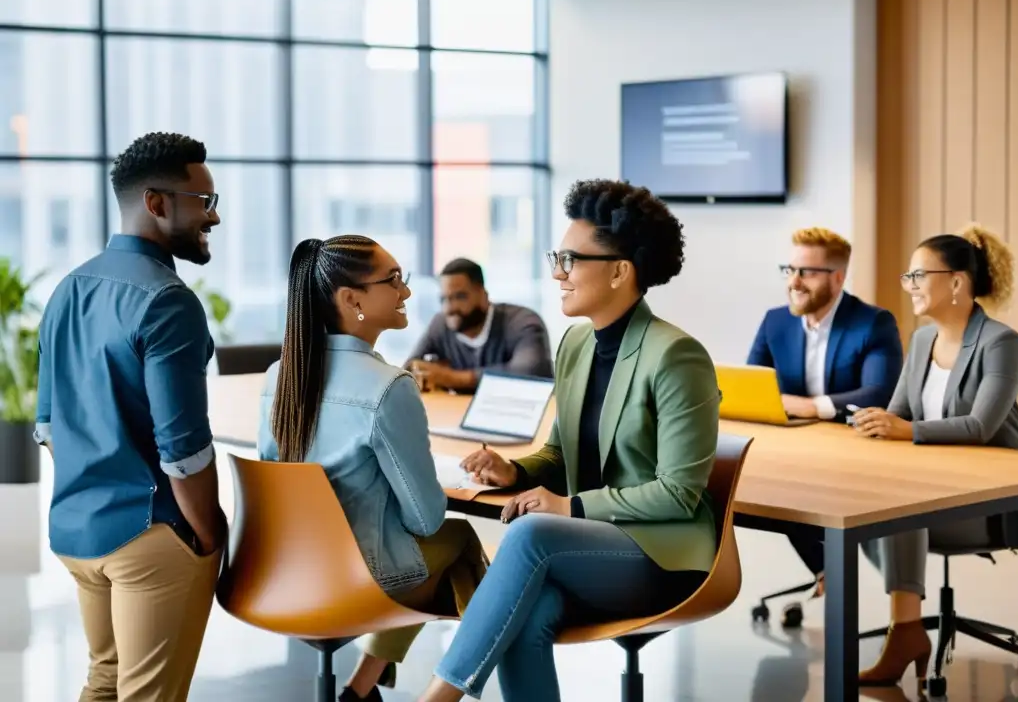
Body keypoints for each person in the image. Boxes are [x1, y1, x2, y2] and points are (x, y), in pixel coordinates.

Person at [415, 180, 717, 702]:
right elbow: (561, 452)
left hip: (664, 556)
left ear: (621, 270)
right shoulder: (577, 343)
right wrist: (517, 472)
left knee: (531, 535)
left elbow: (678, 493)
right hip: (591, 549)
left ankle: (438, 696)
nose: (557, 272)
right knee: (522, 616)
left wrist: (568, 506)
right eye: (558, 257)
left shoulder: (676, 356)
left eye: (571, 259)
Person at [33, 132, 227, 702]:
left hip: (77, 531)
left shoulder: (68, 289)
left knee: (105, 680)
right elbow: (184, 452)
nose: (213, 218)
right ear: (157, 203)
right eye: (204, 202)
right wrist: (209, 535)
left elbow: (47, 427)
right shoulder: (167, 300)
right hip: (152, 536)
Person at [257, 235, 488, 702]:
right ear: (351, 299)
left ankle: (361, 691)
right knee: (459, 540)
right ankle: (454, 689)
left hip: (282, 572)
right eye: (394, 280)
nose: (406, 292)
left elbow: (276, 478)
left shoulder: (278, 374)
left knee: (430, 548)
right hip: (358, 583)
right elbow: (425, 520)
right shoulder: (389, 387)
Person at [851, 224, 1018, 689]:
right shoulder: (923, 341)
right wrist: (872, 422)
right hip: (931, 490)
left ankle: (904, 636)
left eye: (917, 276)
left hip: (992, 503)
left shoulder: (1001, 343)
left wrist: (903, 429)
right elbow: (898, 414)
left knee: (898, 513)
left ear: (955, 283)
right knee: (870, 512)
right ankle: (905, 630)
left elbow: (980, 427)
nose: (908, 286)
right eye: (908, 277)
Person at [747, 227, 904, 615]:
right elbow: (753, 387)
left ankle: (832, 572)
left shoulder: (873, 323)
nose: (794, 282)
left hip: (857, 452)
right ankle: (826, 569)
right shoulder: (775, 322)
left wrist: (809, 406)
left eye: (807, 272)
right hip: (795, 452)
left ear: (837, 277)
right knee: (771, 489)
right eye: (789, 269)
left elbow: (879, 394)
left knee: (802, 487)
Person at [405, 257, 553, 392]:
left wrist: (451, 377)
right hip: (456, 414)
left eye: (460, 297)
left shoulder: (523, 322)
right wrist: (423, 372)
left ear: (484, 296)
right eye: (444, 299)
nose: (450, 308)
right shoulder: (440, 325)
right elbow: (409, 368)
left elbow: (530, 372)